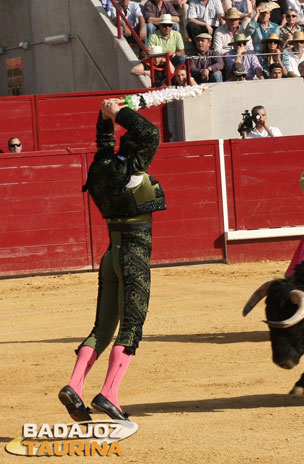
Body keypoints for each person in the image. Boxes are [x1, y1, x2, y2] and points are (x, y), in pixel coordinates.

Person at [58, 98, 166, 422]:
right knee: (131, 328)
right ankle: (109, 393)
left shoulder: (103, 165)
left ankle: (74, 385)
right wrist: (119, 113)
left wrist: (105, 116)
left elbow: (104, 140)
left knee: (102, 328)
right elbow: (150, 133)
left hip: (110, 256)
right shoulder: (134, 169)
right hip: (134, 256)